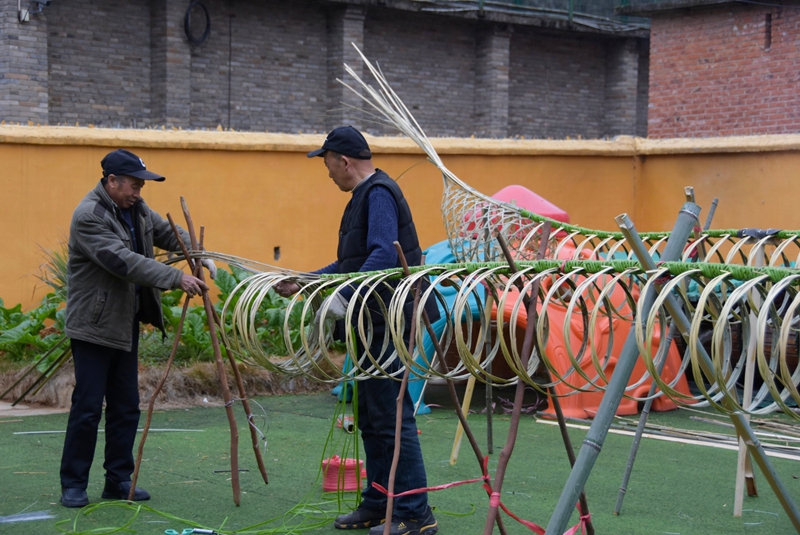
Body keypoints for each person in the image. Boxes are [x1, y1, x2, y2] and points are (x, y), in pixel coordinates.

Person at [276, 126, 438, 535]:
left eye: (328, 164)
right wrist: (305, 281)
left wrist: (346, 296)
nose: (328, 173)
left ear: (343, 161)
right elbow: (349, 264)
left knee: (392, 418)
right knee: (369, 415)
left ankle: (414, 514)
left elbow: (384, 254)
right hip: (371, 319)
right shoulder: (360, 199)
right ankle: (379, 502)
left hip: (388, 318)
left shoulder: (379, 193)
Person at [59, 149, 215, 508]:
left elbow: (166, 232)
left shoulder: (137, 209)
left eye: (141, 186)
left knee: (126, 405)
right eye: (133, 185)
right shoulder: (89, 216)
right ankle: (73, 483)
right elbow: (123, 262)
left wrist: (197, 251)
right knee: (86, 407)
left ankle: (118, 479)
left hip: (123, 322)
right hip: (93, 327)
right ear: (111, 181)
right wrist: (177, 277)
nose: (138, 192)